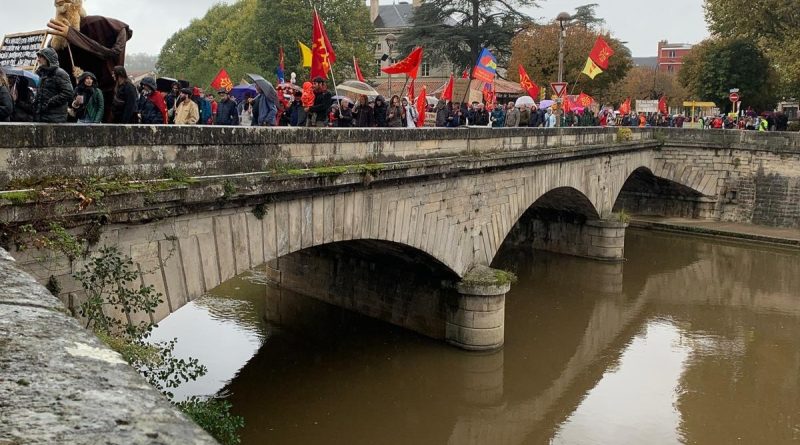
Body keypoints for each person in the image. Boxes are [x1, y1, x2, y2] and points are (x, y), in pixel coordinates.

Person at [33, 48, 73, 123]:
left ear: (48, 58)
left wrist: (51, 102)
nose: (38, 59)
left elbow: (68, 93)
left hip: (55, 118)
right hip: (41, 117)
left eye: (41, 57)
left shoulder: (60, 73)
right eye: (38, 57)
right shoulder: (41, 74)